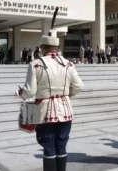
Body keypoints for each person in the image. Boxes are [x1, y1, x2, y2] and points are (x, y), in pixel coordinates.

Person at [18, 35, 84, 171]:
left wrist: (21, 93)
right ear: (57, 48)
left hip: (45, 112)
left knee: (48, 146)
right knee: (61, 144)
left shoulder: (36, 64)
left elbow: (30, 92)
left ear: (42, 48)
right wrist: (65, 96)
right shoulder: (68, 63)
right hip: (65, 110)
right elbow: (79, 86)